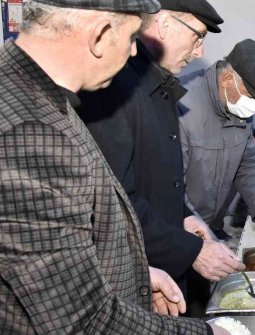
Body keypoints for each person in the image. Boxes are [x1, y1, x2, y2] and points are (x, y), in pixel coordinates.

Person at [0, 0, 229, 333]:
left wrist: (136, 276)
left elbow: (46, 262)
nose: (135, 52)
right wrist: (210, 333)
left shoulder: (35, 94)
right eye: (132, 36)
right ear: (100, 34)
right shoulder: (32, 131)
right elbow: (83, 321)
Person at [77, 0, 244, 316]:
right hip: (127, 282)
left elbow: (154, 178)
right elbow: (115, 201)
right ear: (166, 25)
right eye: (197, 37)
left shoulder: (159, 85)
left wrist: (183, 214)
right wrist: (192, 252)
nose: (198, 52)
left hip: (159, 267)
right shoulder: (114, 86)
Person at [179, 38, 255, 252]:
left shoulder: (236, 107)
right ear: (226, 79)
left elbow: (248, 163)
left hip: (213, 225)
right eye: (251, 97)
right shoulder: (183, 107)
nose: (254, 107)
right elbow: (171, 187)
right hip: (182, 230)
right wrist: (199, 237)